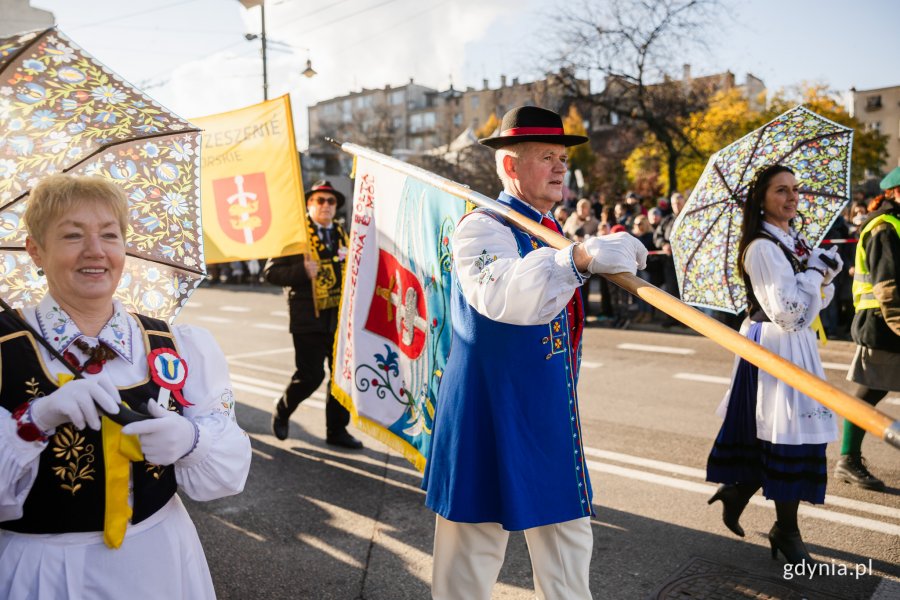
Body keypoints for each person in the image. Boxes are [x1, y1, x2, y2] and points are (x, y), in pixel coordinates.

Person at [422, 105, 647, 599]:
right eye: (547, 156)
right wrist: (578, 258)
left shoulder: (550, 231)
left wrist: (580, 255)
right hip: (486, 408)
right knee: (470, 555)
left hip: (545, 409)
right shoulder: (481, 228)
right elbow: (502, 294)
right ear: (509, 166)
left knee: (568, 544)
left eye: (562, 157)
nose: (560, 167)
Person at [0, 174, 251, 599]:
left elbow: (229, 474)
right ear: (35, 250)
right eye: (72, 235)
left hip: (159, 562)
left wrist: (192, 440)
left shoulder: (178, 344)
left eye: (110, 235)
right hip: (42, 573)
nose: (95, 251)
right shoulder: (5, 344)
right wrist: (35, 421)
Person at [705, 165, 841, 566]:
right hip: (773, 347)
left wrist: (824, 277)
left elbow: (815, 305)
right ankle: (787, 531)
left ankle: (741, 494)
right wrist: (815, 272)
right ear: (761, 199)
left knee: (791, 433)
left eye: (795, 189)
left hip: (796, 345)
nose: (792, 197)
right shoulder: (762, 247)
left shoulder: (791, 239)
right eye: (781, 190)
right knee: (785, 435)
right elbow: (788, 313)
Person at [265, 180, 363, 449]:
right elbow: (270, 273)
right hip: (308, 317)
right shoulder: (296, 236)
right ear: (309, 204)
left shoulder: (344, 234)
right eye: (320, 200)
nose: (326, 206)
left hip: (339, 317)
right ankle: (283, 409)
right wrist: (302, 273)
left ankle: (336, 430)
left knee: (340, 375)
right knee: (310, 376)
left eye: (331, 202)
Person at [837, 167, 900, 490]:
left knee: (870, 393)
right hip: (883, 324)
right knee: (866, 395)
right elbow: (887, 287)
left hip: (887, 324)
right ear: (896, 192)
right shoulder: (883, 228)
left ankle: (848, 459)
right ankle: (847, 459)